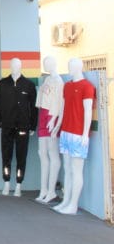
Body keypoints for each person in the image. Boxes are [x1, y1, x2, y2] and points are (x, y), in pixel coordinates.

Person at [54, 58, 96, 215]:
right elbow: (63, 108)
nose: (69, 68)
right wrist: (58, 125)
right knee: (67, 168)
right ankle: (66, 201)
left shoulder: (87, 87)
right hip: (66, 132)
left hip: (78, 134)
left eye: (71, 66)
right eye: (68, 65)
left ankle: (73, 204)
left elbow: (88, 111)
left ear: (79, 67)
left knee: (76, 170)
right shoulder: (67, 86)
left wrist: (85, 133)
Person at [0, 58, 37, 197]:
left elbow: (34, 107)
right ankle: (6, 182)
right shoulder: (2, 84)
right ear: (10, 66)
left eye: (17, 65)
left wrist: (33, 126)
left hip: (23, 127)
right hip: (6, 126)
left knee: (21, 156)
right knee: (6, 155)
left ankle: (19, 184)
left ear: (21, 66)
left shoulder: (29, 85)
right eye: (12, 65)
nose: (15, 67)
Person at [35, 56, 64, 204]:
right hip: (43, 115)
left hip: (52, 117)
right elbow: (41, 99)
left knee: (53, 153)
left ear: (54, 63)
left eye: (48, 63)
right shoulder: (47, 80)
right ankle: (44, 189)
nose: (46, 65)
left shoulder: (59, 81)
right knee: (42, 153)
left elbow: (60, 103)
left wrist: (55, 120)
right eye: (44, 63)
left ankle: (51, 191)